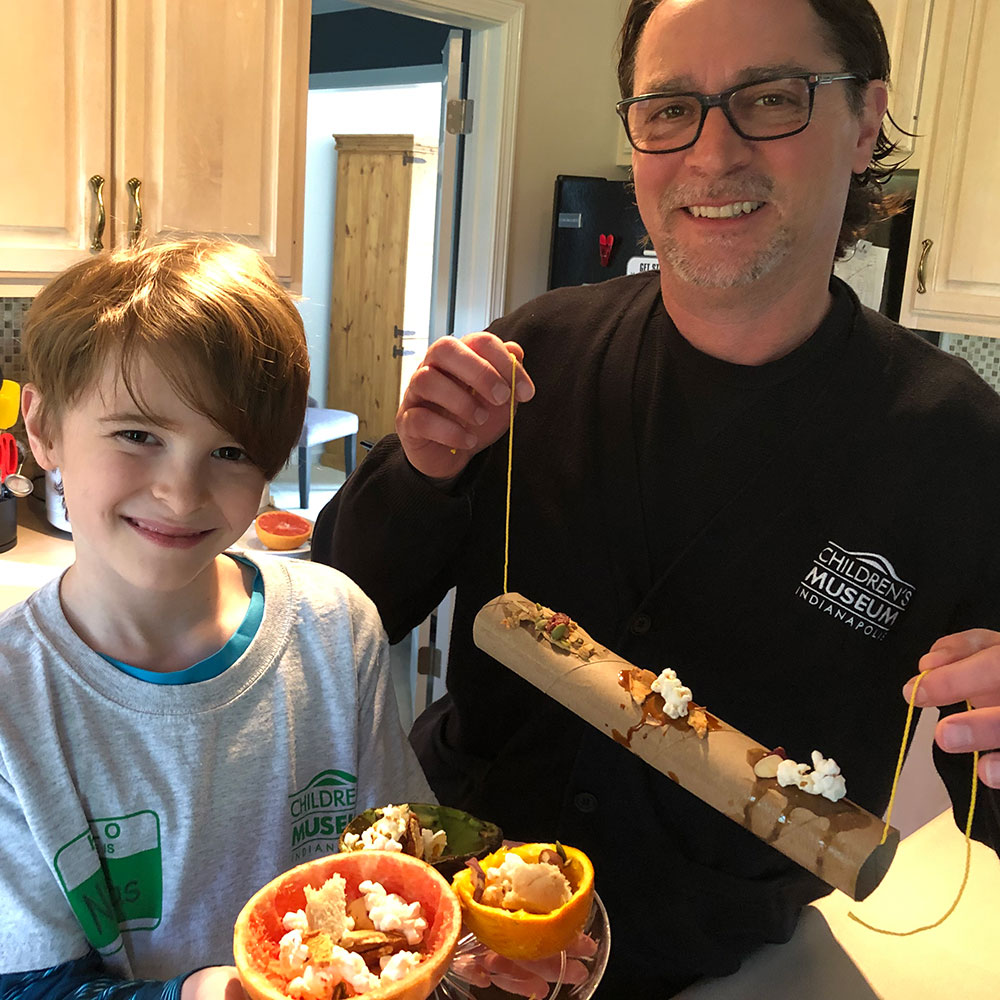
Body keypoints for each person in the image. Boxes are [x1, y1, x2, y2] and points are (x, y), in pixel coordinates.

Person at [314, 0, 1000, 993]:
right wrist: (422, 469)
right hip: (453, 925)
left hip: (722, 964)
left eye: (770, 97)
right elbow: (340, 607)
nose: (712, 154)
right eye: (670, 107)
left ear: (863, 123)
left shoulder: (959, 448)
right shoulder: (529, 355)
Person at [0, 240, 434, 1000]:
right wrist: (199, 994)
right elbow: (30, 985)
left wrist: (472, 943)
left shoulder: (337, 631)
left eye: (230, 450)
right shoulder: (15, 704)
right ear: (43, 428)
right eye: (138, 435)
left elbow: (399, 868)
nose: (180, 491)